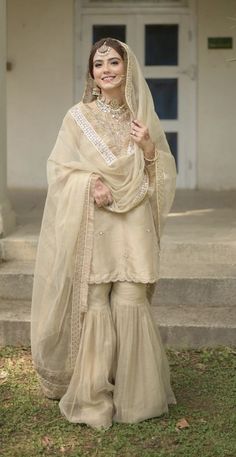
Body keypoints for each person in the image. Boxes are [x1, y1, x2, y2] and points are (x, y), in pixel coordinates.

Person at [31, 38, 177, 430]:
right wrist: (90, 181)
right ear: (92, 74)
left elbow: (160, 176)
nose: (107, 69)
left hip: (133, 222)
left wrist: (148, 148)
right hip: (94, 219)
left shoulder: (141, 117)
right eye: (99, 64)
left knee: (130, 299)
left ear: (128, 70)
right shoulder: (77, 117)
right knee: (95, 302)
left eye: (115, 62)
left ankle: (137, 398)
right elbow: (59, 170)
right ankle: (93, 397)